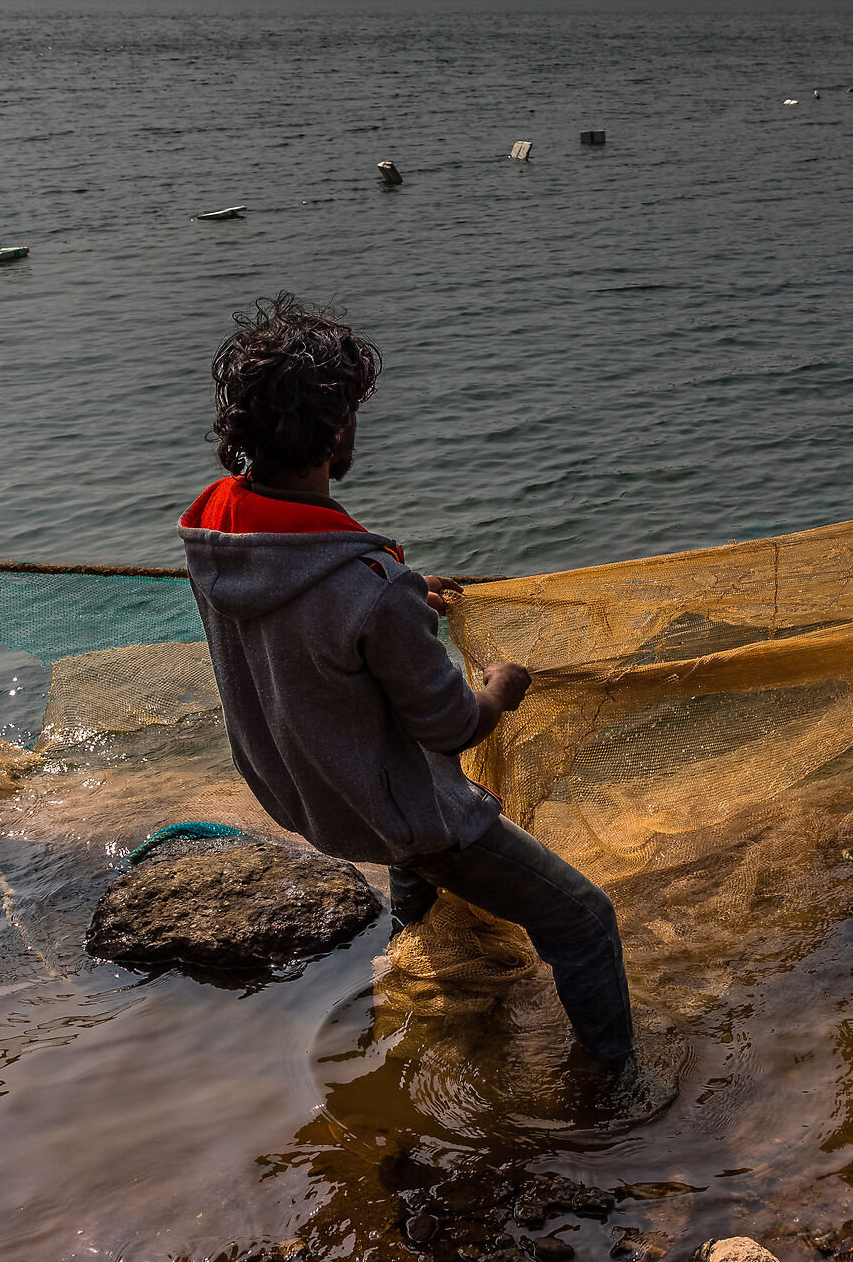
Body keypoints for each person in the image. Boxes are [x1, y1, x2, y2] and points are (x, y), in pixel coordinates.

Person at [177, 296, 638, 1068]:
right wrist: (502, 684)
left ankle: (411, 947)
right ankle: (612, 1097)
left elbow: (317, 631)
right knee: (584, 921)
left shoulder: (216, 529)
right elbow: (454, 728)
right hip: (402, 810)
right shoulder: (371, 585)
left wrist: (395, 601)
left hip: (313, 789)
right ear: (333, 434)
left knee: (414, 862)